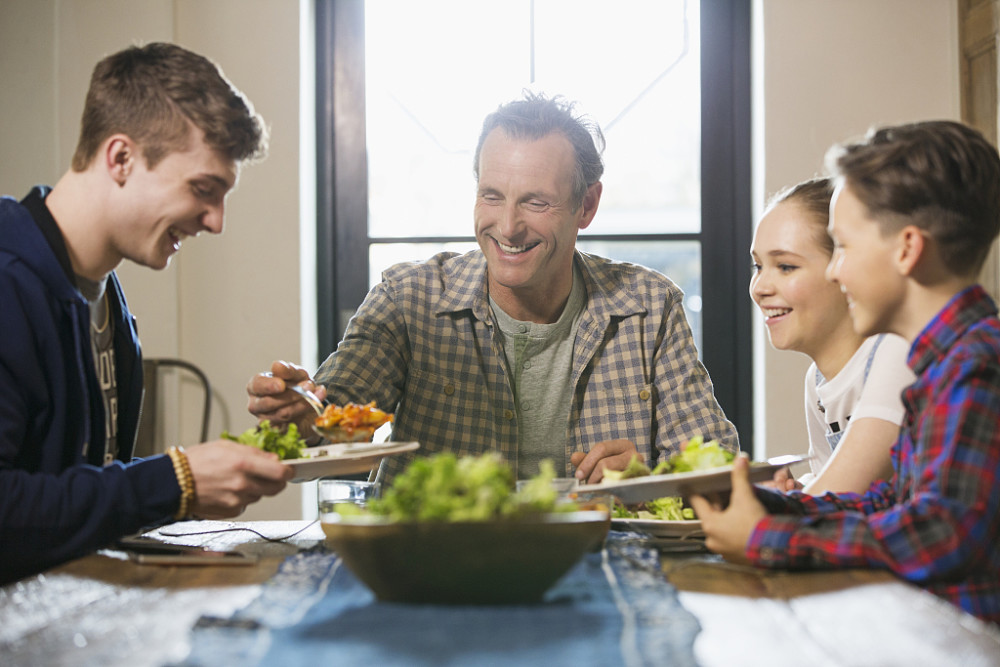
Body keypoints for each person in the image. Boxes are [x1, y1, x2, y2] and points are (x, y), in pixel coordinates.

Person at [247, 93, 738, 484]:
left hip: (600, 560)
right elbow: (328, 421)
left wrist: (650, 476)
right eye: (492, 196)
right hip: (431, 561)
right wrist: (300, 414)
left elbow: (718, 463)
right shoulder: (407, 299)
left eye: (536, 202)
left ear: (586, 206)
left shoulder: (649, 306)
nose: (507, 227)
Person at [0, 42, 293, 584]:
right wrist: (176, 481)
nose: (216, 221)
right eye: (203, 189)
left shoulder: (107, 300)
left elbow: (72, 492)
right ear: (121, 159)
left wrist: (198, 483)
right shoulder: (7, 281)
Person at [691, 120, 1000, 625]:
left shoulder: (976, 364)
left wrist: (770, 538)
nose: (835, 270)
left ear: (907, 250)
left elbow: (943, 533)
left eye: (844, 247)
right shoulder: (941, 364)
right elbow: (893, 500)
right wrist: (777, 507)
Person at [750, 177, 914, 495]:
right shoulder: (817, 382)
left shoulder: (897, 351)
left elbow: (840, 493)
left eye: (785, 266)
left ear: (843, 266)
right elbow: (832, 493)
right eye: (758, 266)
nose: (760, 288)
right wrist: (799, 488)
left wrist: (787, 501)